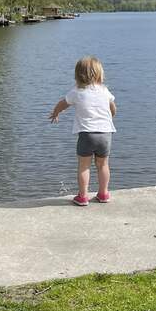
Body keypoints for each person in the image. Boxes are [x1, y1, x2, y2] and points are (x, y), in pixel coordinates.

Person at [48, 56, 117, 206]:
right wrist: (110, 116)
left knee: (84, 166)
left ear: (78, 75)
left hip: (87, 134)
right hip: (106, 134)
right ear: (100, 74)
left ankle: (83, 196)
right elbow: (112, 107)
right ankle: (104, 194)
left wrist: (56, 113)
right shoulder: (104, 91)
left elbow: (63, 103)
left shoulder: (77, 91)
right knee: (103, 165)